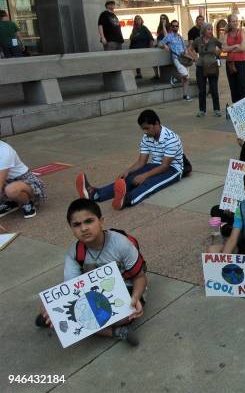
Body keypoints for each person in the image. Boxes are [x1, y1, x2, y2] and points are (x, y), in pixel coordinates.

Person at [35, 199, 146, 346]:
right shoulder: (74, 253)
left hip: (126, 288)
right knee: (46, 305)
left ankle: (116, 328)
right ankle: (117, 332)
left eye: (89, 221)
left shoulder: (121, 244)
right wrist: (53, 309)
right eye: (77, 225)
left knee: (122, 315)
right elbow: (72, 289)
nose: (84, 228)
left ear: (101, 222)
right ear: (71, 228)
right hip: (92, 292)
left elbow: (140, 277)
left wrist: (135, 298)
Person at [75, 109, 183, 210]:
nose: (145, 132)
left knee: (150, 183)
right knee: (130, 178)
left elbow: (165, 166)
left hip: (173, 169)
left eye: (147, 128)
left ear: (156, 124)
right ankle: (96, 194)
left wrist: (144, 175)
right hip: (154, 165)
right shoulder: (147, 137)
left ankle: (127, 200)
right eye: (143, 129)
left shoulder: (171, 138)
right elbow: (141, 162)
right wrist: (128, 171)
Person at [0, 140, 46, 218]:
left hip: (25, 180)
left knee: (10, 190)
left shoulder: (5, 151)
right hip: (6, 181)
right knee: (8, 189)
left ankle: (27, 203)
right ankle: (12, 203)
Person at [191, 22, 222, 117]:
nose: (210, 31)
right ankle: (202, 110)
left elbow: (223, 47)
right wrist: (195, 58)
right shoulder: (198, 40)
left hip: (212, 66)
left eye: (211, 29)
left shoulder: (214, 40)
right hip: (200, 66)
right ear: (204, 30)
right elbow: (190, 49)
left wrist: (218, 53)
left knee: (214, 89)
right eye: (209, 29)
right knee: (202, 90)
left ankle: (216, 109)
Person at [159, 20, 192, 101]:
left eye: (176, 26)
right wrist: (165, 46)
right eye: (173, 26)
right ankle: (174, 77)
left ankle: (185, 95)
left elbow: (184, 48)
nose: (175, 27)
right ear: (171, 27)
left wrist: (187, 54)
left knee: (186, 78)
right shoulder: (169, 36)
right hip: (176, 58)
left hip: (184, 59)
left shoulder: (180, 37)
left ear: (178, 27)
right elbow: (160, 43)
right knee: (186, 76)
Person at [222, 14, 245, 103]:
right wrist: (235, 46)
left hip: (241, 62)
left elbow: (243, 47)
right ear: (229, 22)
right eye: (233, 21)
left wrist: (230, 49)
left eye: (236, 21)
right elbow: (224, 49)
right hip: (230, 63)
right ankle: (237, 112)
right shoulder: (226, 34)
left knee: (243, 87)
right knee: (233, 88)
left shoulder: (242, 32)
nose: (235, 23)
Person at [129, 15, 154, 79]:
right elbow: (131, 38)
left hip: (144, 48)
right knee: (136, 62)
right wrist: (134, 35)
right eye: (136, 19)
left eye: (139, 19)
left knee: (150, 61)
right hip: (135, 48)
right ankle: (138, 74)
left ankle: (156, 74)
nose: (137, 20)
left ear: (141, 20)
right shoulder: (134, 29)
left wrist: (151, 48)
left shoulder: (144, 28)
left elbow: (151, 38)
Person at [152, 14, 169, 80]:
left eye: (164, 18)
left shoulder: (169, 26)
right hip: (159, 45)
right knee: (153, 59)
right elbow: (158, 37)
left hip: (166, 46)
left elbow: (166, 37)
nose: (162, 20)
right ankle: (156, 74)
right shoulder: (159, 27)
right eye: (161, 18)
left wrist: (164, 26)